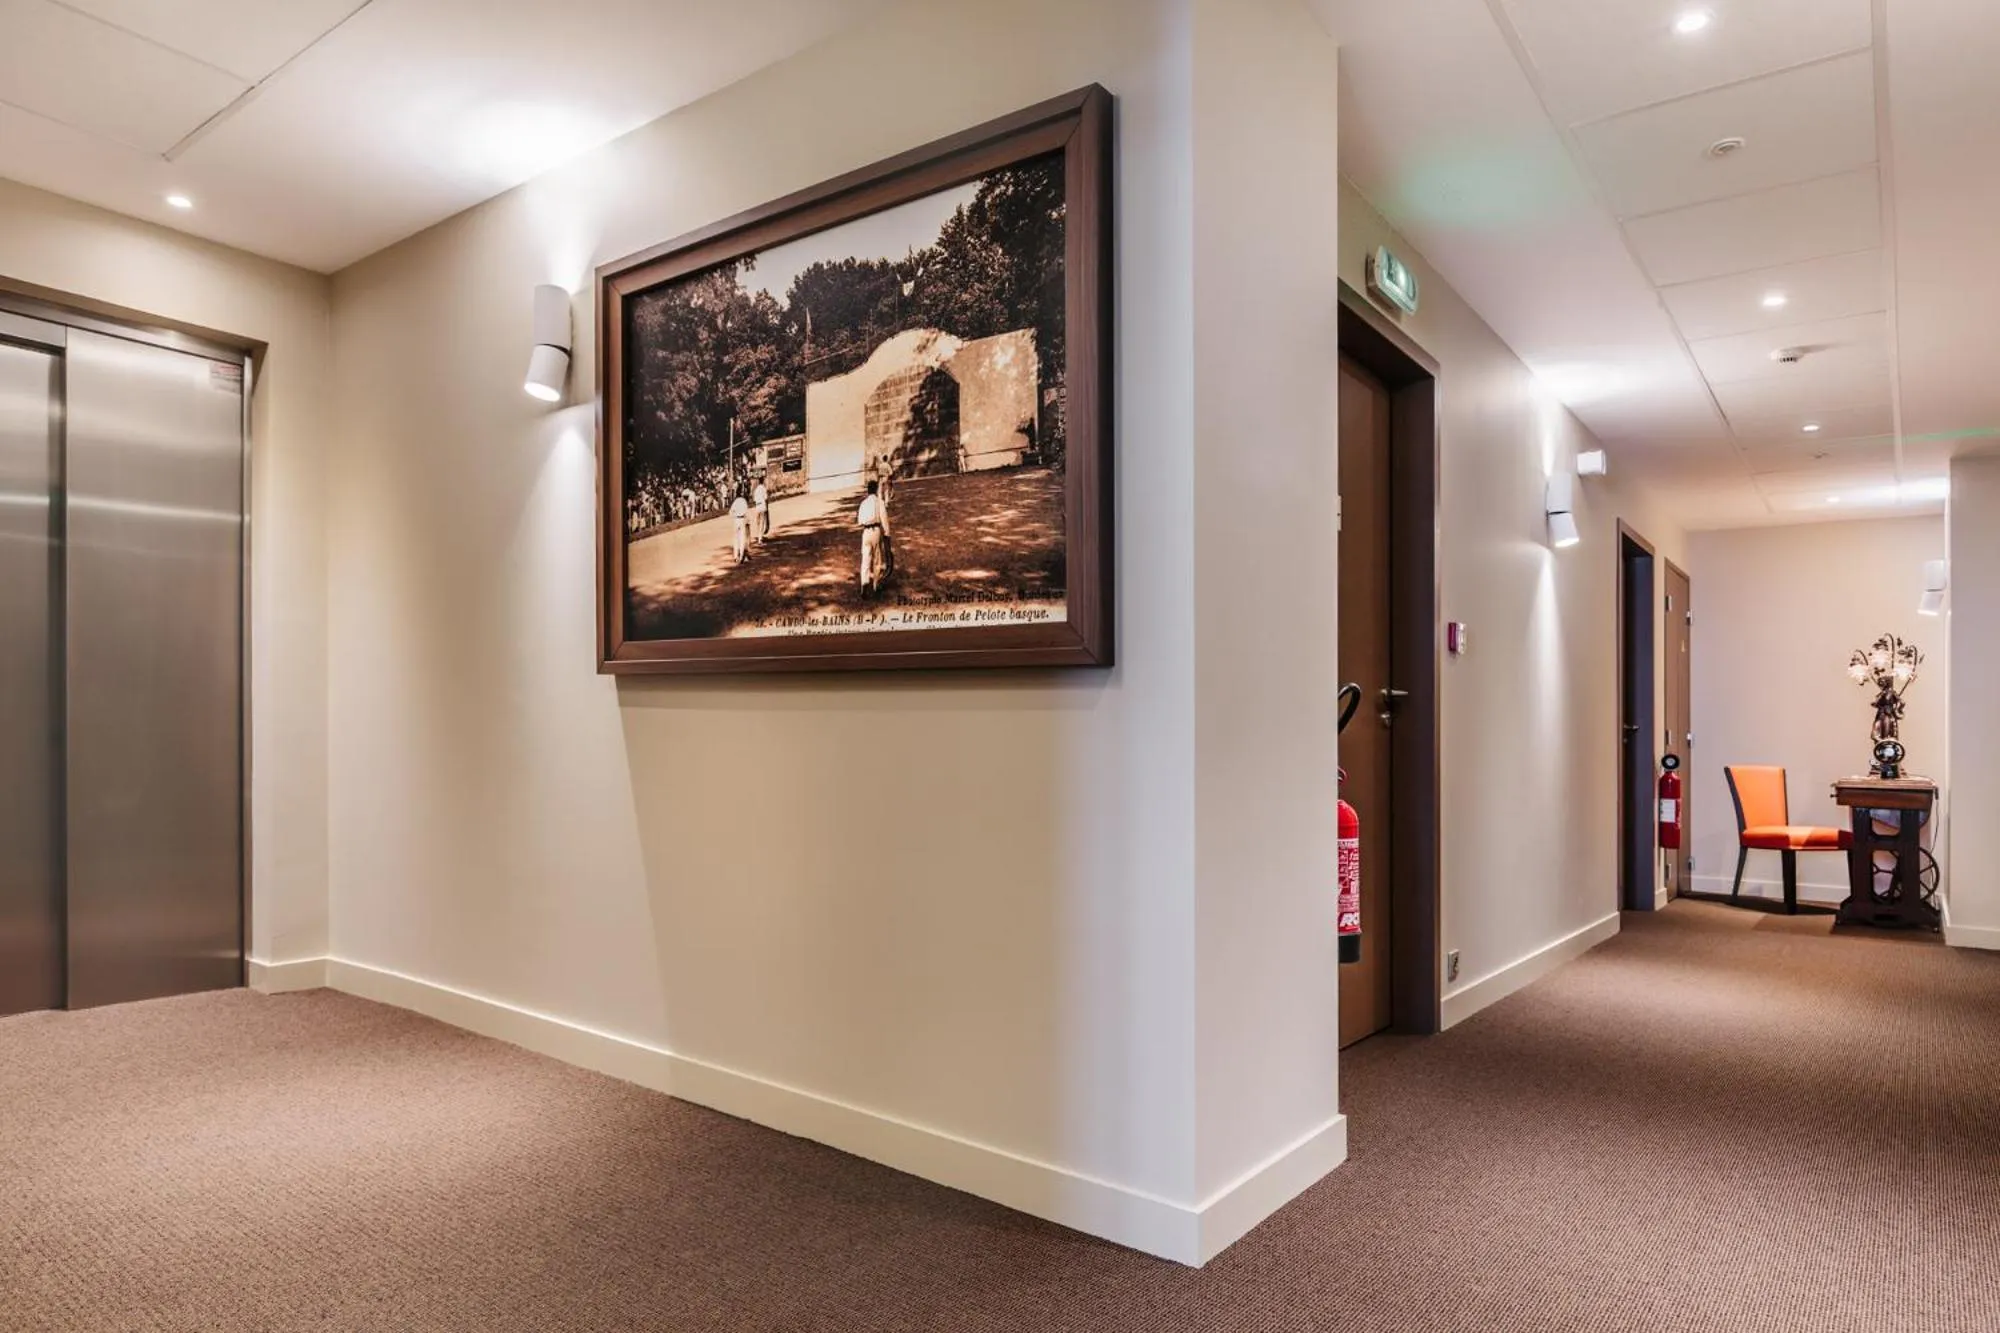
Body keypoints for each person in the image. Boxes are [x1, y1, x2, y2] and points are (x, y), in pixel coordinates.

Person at [857, 480, 890, 595]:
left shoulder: (863, 503)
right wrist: (887, 533)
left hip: (865, 532)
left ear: (867, 490)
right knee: (877, 559)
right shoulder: (879, 502)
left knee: (865, 558)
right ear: (876, 489)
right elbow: (884, 519)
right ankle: (876, 585)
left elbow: (860, 521)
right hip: (875, 531)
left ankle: (864, 583)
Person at [730, 490, 750, 564]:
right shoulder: (744, 501)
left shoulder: (735, 501)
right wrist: (748, 522)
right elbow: (746, 513)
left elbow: (730, 512)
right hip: (742, 519)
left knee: (736, 539)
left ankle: (735, 556)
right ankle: (741, 556)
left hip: (736, 520)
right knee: (742, 538)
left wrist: (734, 516)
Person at [753, 478, 770, 543]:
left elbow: (754, 500)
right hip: (762, 506)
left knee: (758, 523)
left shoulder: (756, 490)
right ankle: (760, 538)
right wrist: (767, 507)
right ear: (763, 481)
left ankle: (759, 536)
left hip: (757, 507)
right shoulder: (763, 488)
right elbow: (766, 498)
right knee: (762, 523)